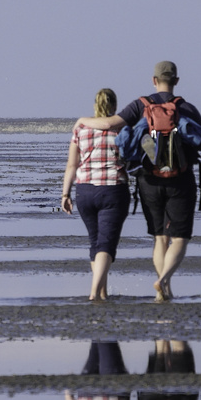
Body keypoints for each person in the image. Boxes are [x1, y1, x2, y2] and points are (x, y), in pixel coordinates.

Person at [78, 61, 201, 302]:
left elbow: (108, 124)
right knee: (179, 238)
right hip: (181, 180)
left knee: (160, 237)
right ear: (176, 81)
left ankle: (164, 291)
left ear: (153, 80)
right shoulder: (186, 107)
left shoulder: (141, 105)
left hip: (149, 180)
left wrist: (81, 121)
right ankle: (164, 280)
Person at [61, 88, 129, 302]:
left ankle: (102, 293)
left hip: (85, 191)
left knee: (96, 243)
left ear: (95, 105)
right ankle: (94, 292)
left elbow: (72, 164)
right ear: (115, 107)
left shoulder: (81, 128)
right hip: (112, 189)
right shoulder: (122, 128)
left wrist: (65, 193)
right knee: (106, 244)